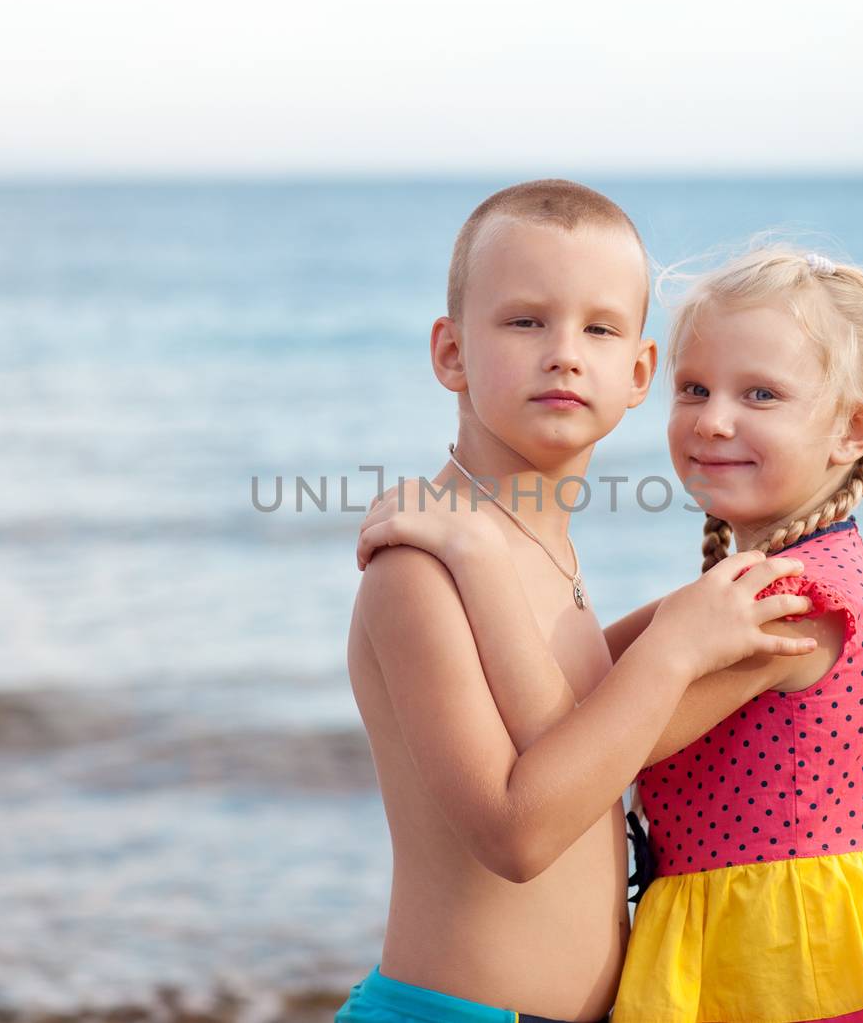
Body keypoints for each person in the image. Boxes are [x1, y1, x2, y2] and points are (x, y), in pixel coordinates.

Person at [358, 245, 863, 1021]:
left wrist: (478, 553)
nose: (713, 419)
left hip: (795, 966)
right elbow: (597, 696)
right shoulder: (746, 590)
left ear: (852, 428)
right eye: (693, 389)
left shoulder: (785, 605)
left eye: (760, 393)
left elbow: (573, 746)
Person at [339, 185, 821, 1023]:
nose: (564, 353)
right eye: (525, 321)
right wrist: (674, 647)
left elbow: (581, 731)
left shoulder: (531, 550)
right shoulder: (422, 564)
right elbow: (518, 833)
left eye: (598, 328)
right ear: (451, 354)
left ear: (638, 372)